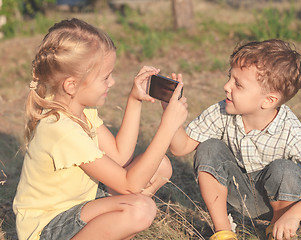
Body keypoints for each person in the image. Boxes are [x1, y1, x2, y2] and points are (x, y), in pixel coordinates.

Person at [13, 18, 188, 240]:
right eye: (105, 77)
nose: (112, 82)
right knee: (140, 208)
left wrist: (134, 100)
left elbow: (119, 155)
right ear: (71, 85)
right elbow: (129, 185)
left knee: (160, 167)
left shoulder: (79, 111)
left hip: (78, 207)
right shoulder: (61, 129)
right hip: (48, 229)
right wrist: (167, 127)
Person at [167, 39, 301, 240]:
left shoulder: (291, 131)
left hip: (286, 202)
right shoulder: (222, 112)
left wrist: (294, 216)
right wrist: (170, 112)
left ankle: (278, 230)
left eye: (238, 84)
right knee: (209, 148)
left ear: (269, 100)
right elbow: (180, 147)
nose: (226, 86)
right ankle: (224, 232)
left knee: (284, 169)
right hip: (241, 195)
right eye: (230, 77)